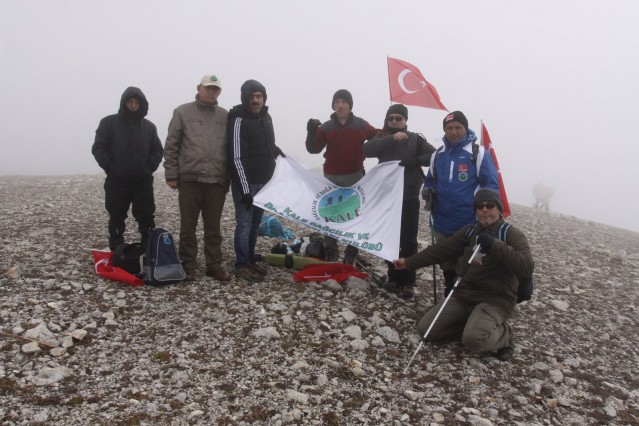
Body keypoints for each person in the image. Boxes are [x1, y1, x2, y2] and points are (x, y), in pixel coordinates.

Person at [393, 189, 534, 361]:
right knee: (426, 330)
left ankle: (505, 336)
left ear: (498, 208)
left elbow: (526, 267)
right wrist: (408, 263)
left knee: (474, 341)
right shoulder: (470, 231)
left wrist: (495, 246)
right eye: (479, 207)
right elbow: (441, 251)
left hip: (495, 300)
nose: (484, 210)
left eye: (489, 205)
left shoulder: (511, 234)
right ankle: (472, 324)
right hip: (463, 295)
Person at [423, 111, 499, 297]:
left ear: (465, 128)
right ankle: (450, 294)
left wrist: (486, 214)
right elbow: (431, 179)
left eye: (458, 127)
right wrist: (427, 189)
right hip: (442, 220)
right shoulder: (438, 155)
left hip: (470, 221)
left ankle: (467, 298)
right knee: (447, 263)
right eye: (449, 128)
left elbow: (490, 185)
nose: (454, 132)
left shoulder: (477, 153)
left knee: (469, 264)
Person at [363, 104, 436, 299]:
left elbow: (434, 156)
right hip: (386, 197)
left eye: (398, 118)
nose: (394, 121)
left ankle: (408, 282)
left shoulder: (415, 139)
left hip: (409, 197)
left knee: (409, 241)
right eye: (391, 118)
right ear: (386, 120)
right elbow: (367, 150)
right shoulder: (381, 137)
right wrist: (390, 138)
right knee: (389, 237)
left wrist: (416, 161)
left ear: (405, 120)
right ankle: (393, 277)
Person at [163, 74, 231, 282]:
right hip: (190, 179)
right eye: (208, 88)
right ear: (199, 88)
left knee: (213, 227)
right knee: (188, 226)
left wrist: (227, 178)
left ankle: (213, 265)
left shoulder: (225, 116)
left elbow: (230, 149)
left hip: (216, 182)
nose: (211, 92)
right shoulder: (182, 112)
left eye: (215, 89)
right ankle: (188, 264)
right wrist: (171, 174)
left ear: (219, 92)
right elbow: (171, 144)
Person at [305, 89, 377, 263]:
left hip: (355, 176)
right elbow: (313, 149)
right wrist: (311, 131)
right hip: (330, 176)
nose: (340, 105)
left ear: (350, 105)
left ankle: (352, 249)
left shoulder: (361, 125)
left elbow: (377, 137)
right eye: (337, 102)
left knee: (355, 212)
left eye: (344, 101)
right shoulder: (326, 127)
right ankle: (331, 249)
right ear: (333, 106)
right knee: (330, 213)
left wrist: (393, 135)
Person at [92, 86, 163, 250]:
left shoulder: (149, 127)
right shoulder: (108, 123)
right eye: (130, 102)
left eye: (136, 102)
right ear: (124, 103)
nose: (133, 105)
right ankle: (116, 250)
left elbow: (157, 150)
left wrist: (148, 168)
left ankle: (148, 250)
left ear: (142, 104)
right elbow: (98, 148)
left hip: (142, 182)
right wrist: (112, 168)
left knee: (146, 217)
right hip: (117, 181)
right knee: (116, 217)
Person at [228, 79, 285, 282]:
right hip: (246, 183)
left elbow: (267, 143)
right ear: (245, 98)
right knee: (244, 224)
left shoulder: (266, 117)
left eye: (259, 96)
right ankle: (241, 264)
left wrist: (275, 150)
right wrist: (244, 189)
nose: (255, 100)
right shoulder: (238, 120)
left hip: (263, 184)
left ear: (264, 98)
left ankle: (250, 257)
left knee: (255, 224)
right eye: (251, 97)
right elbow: (236, 157)